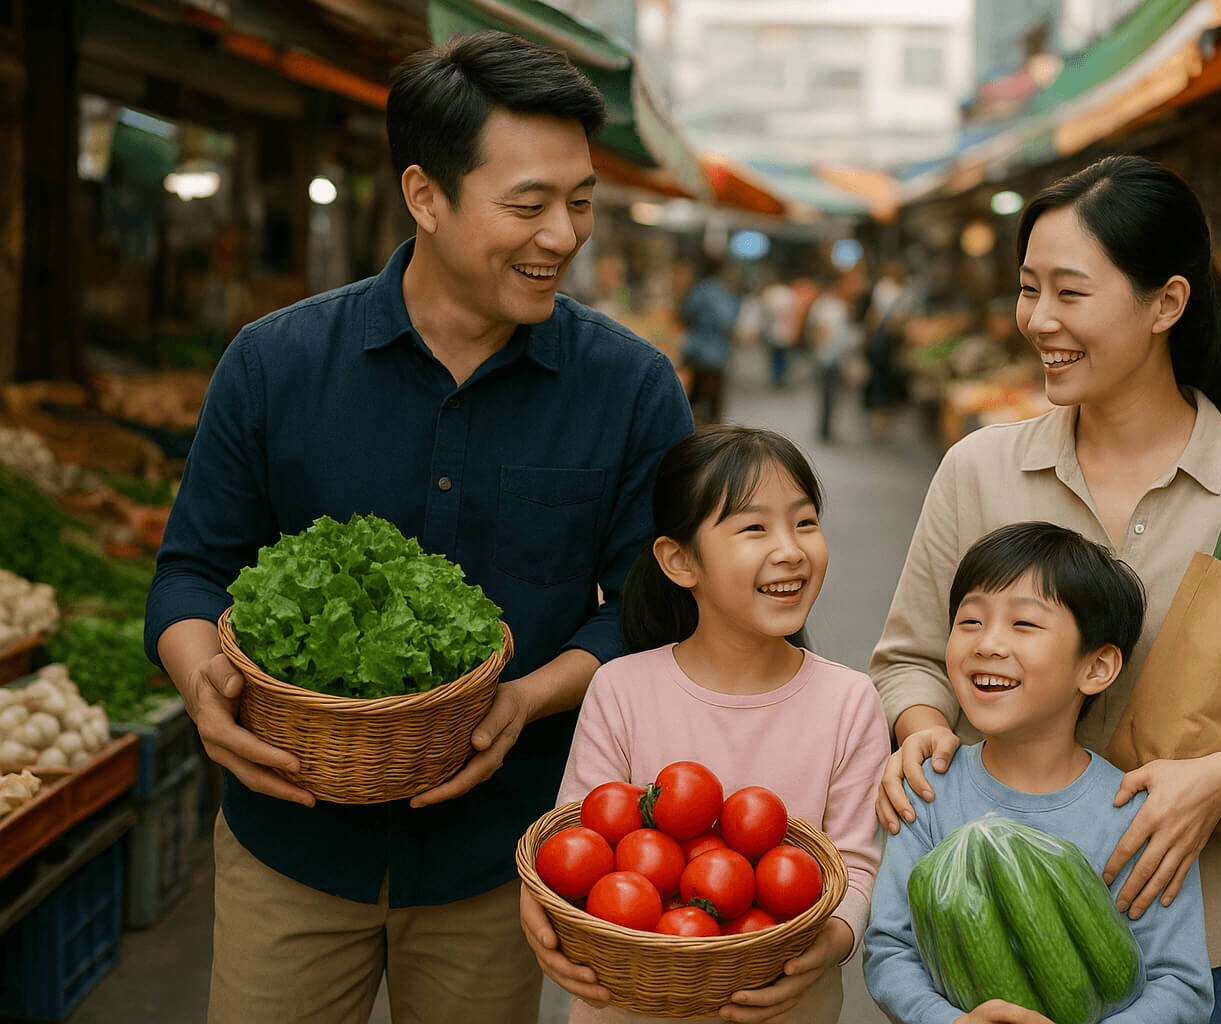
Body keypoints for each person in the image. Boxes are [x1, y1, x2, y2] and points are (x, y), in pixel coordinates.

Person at [143, 31, 693, 1023]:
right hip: (290, 845)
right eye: (527, 205)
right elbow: (190, 573)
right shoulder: (274, 365)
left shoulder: (632, 387)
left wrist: (526, 698)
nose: (562, 236)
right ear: (426, 195)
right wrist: (201, 682)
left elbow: (650, 614)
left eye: (579, 204)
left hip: (502, 858)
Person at [869, 155, 1221, 1024]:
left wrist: (1218, 781)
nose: (1039, 321)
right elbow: (910, 657)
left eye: (1070, 294)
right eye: (1028, 288)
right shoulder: (979, 470)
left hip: (1206, 948)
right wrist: (923, 736)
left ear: (1167, 304)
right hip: (987, 936)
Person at [521, 425, 890, 1024]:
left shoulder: (850, 700)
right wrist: (543, 915)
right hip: (630, 1004)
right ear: (680, 561)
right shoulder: (621, 688)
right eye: (754, 528)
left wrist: (829, 945)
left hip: (783, 1005)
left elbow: (855, 866)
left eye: (804, 522)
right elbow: (576, 845)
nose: (791, 549)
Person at [864, 522, 1214, 1023]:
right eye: (970, 622)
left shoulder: (1136, 813)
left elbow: (1181, 984)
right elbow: (890, 950)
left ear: (1096, 667)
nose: (988, 644)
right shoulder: (926, 789)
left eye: (1024, 625)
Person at [807, 266, 866, 443]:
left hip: (837, 358)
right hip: (827, 358)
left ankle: (827, 429)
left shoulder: (843, 306)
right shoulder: (828, 305)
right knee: (828, 395)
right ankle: (825, 431)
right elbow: (820, 331)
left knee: (833, 396)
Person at [681, 258, 741, 424]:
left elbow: (687, 312)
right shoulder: (718, 291)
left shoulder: (698, 289)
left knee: (693, 395)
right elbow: (727, 319)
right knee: (712, 400)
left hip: (696, 348)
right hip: (714, 352)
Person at [863, 260, 918, 438]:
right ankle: (879, 411)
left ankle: (880, 411)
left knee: (883, 375)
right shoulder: (891, 289)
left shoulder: (888, 288)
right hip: (887, 340)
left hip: (887, 340)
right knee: (881, 375)